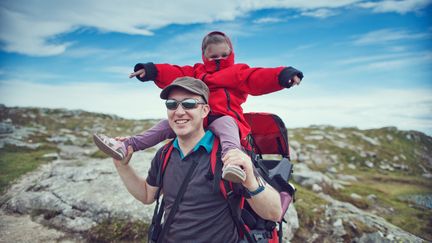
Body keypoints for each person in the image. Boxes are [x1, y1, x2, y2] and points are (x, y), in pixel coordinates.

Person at [93, 30, 303, 183]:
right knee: (166, 125)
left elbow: (259, 77)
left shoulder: (239, 72)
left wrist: (284, 75)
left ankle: (232, 161)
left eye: (223, 55)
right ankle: (127, 145)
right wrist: (151, 71)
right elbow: (174, 72)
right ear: (205, 56)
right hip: (197, 118)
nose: (219, 60)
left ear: (231, 54)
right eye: (213, 56)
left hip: (224, 117)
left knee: (228, 124)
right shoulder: (196, 72)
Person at [113, 77, 282, 242]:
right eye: (172, 104)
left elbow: (274, 213)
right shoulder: (164, 154)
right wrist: (122, 166)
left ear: (205, 110)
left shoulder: (228, 157)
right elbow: (147, 195)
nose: (179, 111)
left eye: (189, 104)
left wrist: (251, 179)